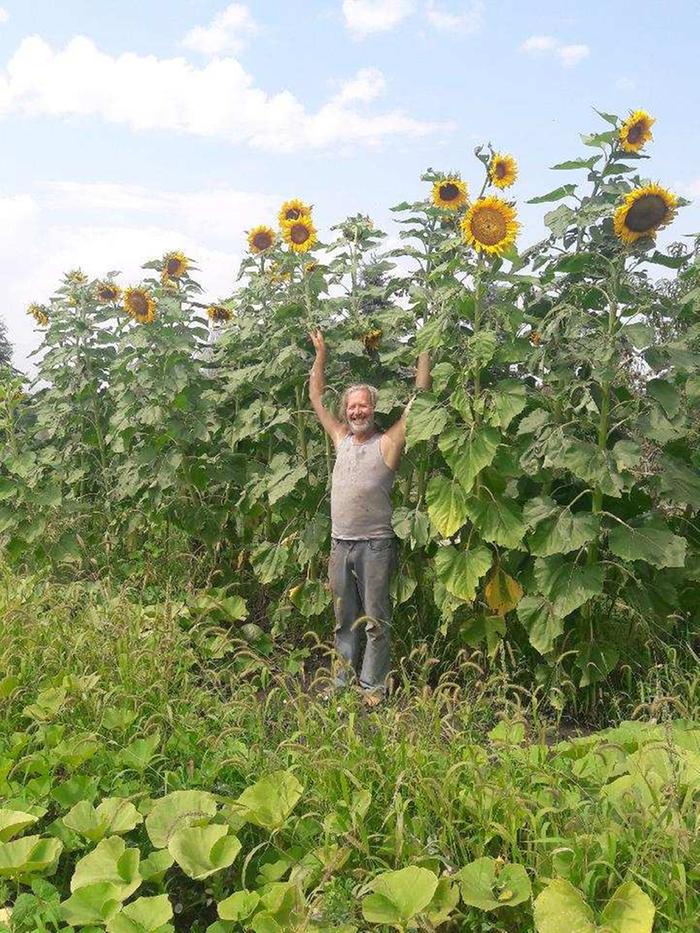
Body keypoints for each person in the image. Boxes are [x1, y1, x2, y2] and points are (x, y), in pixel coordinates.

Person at [308, 329, 432, 705]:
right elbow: (315, 395)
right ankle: (343, 681)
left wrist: (425, 344)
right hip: (340, 543)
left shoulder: (388, 443)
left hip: (376, 545)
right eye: (352, 406)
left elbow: (420, 399)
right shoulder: (340, 438)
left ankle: (373, 686)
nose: (357, 411)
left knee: (377, 619)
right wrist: (321, 354)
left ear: (373, 409)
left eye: (363, 406)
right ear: (346, 410)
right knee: (344, 619)